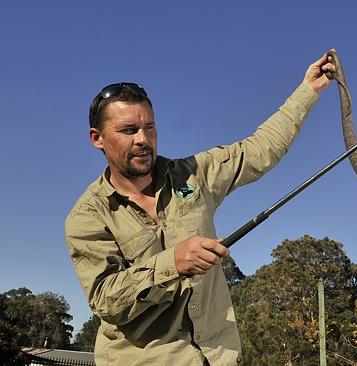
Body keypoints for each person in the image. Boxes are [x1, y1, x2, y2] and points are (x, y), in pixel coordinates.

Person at [65, 51, 336, 365]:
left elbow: (259, 150)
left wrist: (308, 91)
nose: (143, 139)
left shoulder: (193, 174)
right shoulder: (87, 216)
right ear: (97, 139)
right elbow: (106, 300)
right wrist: (174, 263)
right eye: (128, 131)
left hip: (218, 355)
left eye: (149, 128)